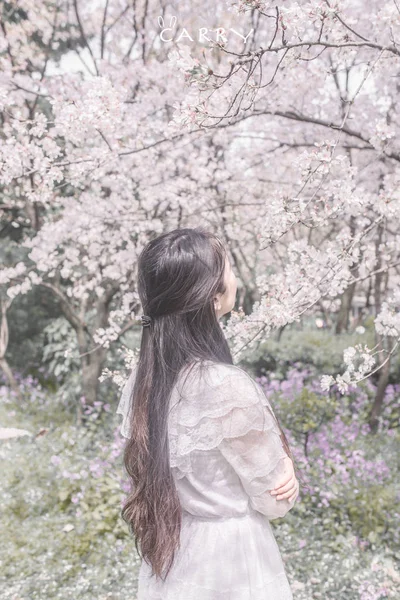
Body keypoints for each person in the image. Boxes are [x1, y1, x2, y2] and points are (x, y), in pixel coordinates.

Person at [116, 227, 300, 600]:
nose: (235, 277)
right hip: (233, 562)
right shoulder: (225, 386)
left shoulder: (142, 379)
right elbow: (274, 500)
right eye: (229, 268)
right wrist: (288, 470)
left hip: (173, 556)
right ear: (213, 295)